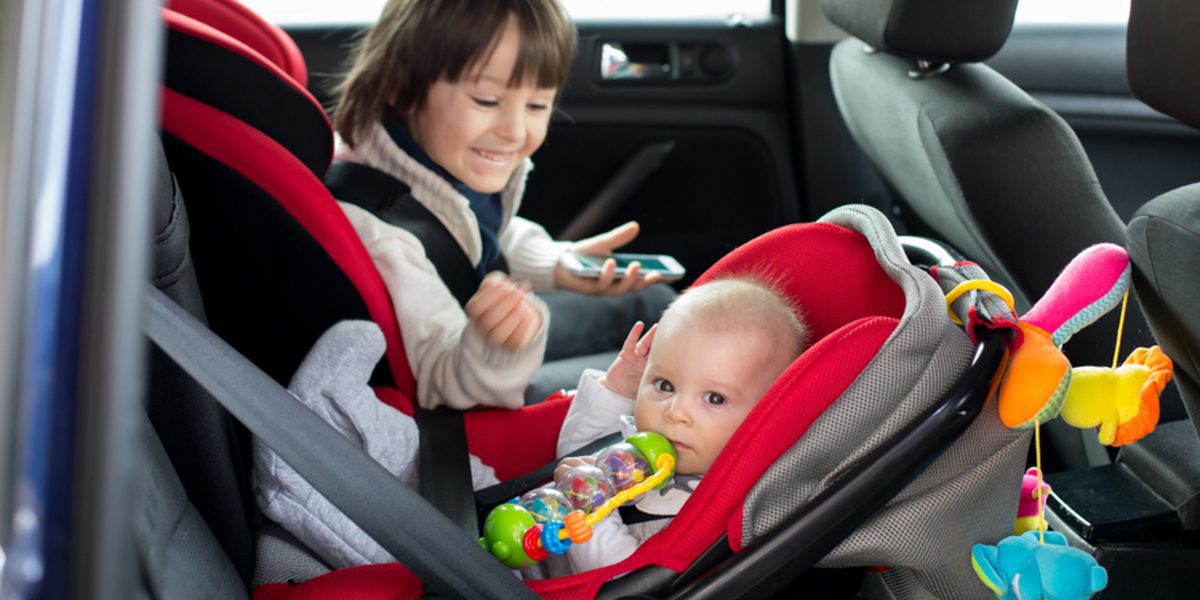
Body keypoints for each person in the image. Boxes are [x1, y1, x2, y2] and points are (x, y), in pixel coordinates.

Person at [331, 0, 674, 411]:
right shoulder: (382, 234)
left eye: (537, 106)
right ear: (403, 87)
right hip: (478, 393)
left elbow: (472, 228)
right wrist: (496, 349)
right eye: (487, 101)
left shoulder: (429, 164)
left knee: (656, 306)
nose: (514, 131)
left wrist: (553, 264)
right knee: (670, 378)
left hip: (485, 339)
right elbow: (443, 388)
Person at [543, 276, 810, 575]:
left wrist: (588, 509)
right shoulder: (643, 444)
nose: (675, 412)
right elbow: (571, 457)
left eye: (714, 398)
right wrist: (616, 390)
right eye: (664, 384)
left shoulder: (714, 512)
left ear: (765, 419)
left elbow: (625, 580)